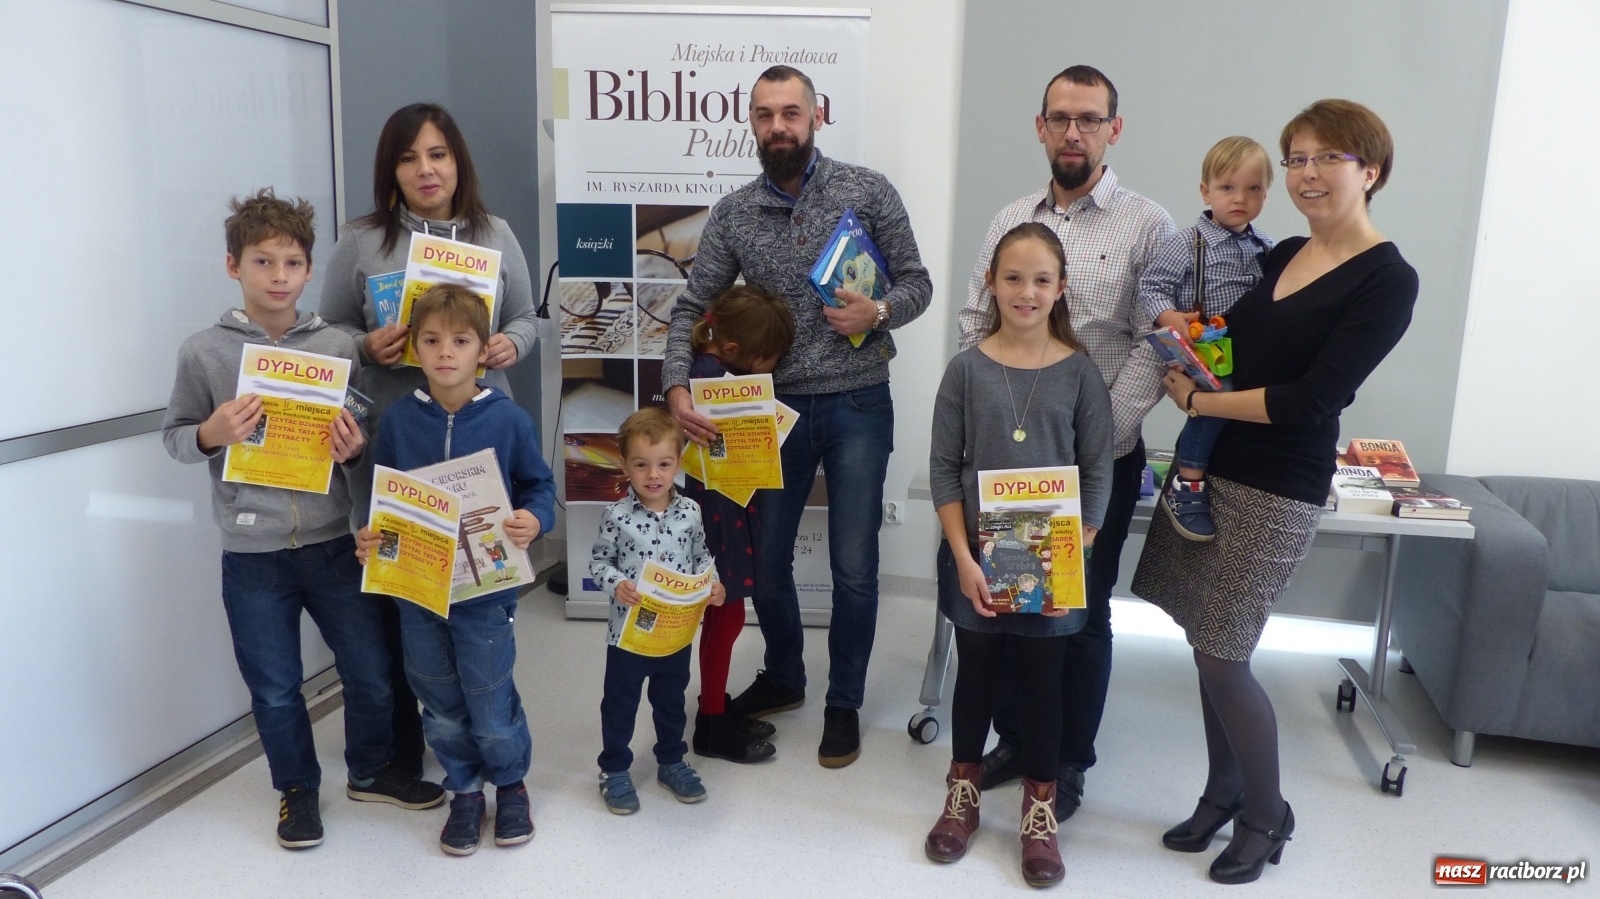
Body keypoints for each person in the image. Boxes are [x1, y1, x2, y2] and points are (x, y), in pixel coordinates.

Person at [1132, 99, 1417, 885]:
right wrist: (1187, 351)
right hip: (1214, 465)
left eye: (1328, 158)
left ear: (1372, 170)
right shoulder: (1281, 250)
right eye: (1296, 159)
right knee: (1202, 636)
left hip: (1279, 482)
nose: (1308, 173)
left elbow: (1310, 399)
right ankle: (1223, 790)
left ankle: (1267, 812)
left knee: (1225, 652)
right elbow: (1238, 351)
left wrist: (1197, 403)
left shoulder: (1388, 279)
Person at [662, 65, 933, 768]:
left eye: (790, 112)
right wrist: (677, 389)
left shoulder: (867, 191)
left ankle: (843, 701)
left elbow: (918, 282)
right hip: (766, 410)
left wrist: (878, 310)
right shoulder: (734, 212)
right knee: (766, 564)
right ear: (751, 124)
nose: (778, 126)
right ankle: (785, 672)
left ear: (816, 117)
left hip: (856, 399)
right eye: (764, 115)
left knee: (853, 563)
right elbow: (693, 308)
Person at [161, 189, 443, 850]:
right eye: (263, 262)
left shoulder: (340, 343)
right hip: (252, 554)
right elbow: (174, 437)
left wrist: (354, 448)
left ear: (310, 270)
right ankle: (296, 790)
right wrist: (211, 430)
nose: (279, 276)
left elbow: (362, 429)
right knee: (277, 688)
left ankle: (370, 768)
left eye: (291, 262)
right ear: (234, 265)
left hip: (331, 544)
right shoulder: (204, 352)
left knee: (372, 673)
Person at [958, 65, 1175, 816]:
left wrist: (1089, 442)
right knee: (1011, 607)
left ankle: (1069, 759)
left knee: (1078, 617)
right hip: (1008, 464)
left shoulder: (1150, 225)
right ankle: (1018, 740)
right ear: (1040, 127)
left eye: (1089, 118)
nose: (1072, 131)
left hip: (1095, 466)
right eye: (1060, 117)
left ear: (1114, 129)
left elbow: (1157, 345)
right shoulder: (1010, 217)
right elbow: (972, 321)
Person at [321, 102, 540, 782]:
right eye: (410, 156)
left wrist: (512, 341)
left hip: (480, 442)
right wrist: (364, 344)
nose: (426, 169)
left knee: (478, 600)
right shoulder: (362, 242)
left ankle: (495, 752)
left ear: (457, 161)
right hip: (396, 441)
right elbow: (327, 337)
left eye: (438, 153)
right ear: (391, 169)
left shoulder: (494, 232)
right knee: (406, 604)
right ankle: (411, 756)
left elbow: (529, 316)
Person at [925, 223, 1113, 888]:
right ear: (991, 283)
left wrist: (1072, 551)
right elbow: (945, 469)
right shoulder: (967, 370)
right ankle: (963, 793)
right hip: (974, 559)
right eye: (1012, 277)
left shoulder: (1081, 372)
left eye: (1040, 279)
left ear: (1061, 288)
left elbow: (1097, 473)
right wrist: (964, 556)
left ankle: (1040, 809)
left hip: (1053, 562)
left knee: (1042, 681)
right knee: (976, 674)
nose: (1025, 292)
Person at [355, 286, 555, 857]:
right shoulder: (396, 422)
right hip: (417, 594)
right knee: (439, 703)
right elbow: (382, 499)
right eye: (432, 340)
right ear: (414, 348)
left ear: (482, 350)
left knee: (490, 701)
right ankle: (464, 789)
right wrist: (371, 537)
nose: (446, 352)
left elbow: (540, 486)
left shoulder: (507, 419)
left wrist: (533, 521)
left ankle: (510, 784)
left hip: (486, 593)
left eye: (461, 341)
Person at [1136, 136, 1276, 540]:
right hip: (1200, 347)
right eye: (1228, 188)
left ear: (1266, 194)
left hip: (1246, 349)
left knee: (1252, 404)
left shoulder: (1265, 247)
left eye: (1253, 189)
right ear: (1206, 191)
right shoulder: (1187, 242)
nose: (1240, 199)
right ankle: (1187, 483)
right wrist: (1170, 317)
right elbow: (1152, 286)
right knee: (1218, 399)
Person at [590, 409, 729, 814]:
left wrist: (713, 584)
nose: (654, 475)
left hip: (675, 632)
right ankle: (614, 769)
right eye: (641, 465)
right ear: (625, 465)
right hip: (628, 635)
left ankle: (672, 760)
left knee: (670, 701)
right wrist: (617, 584)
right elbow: (599, 562)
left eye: (664, 464)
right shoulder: (616, 516)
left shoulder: (690, 513)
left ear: (679, 462)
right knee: (620, 703)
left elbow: (703, 556)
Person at [682, 285, 796, 763]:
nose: (775, 369)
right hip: (716, 513)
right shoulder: (711, 382)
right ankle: (710, 724)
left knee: (724, 615)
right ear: (732, 351)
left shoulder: (710, 373)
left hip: (723, 505)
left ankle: (714, 707)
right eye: (769, 359)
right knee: (724, 614)